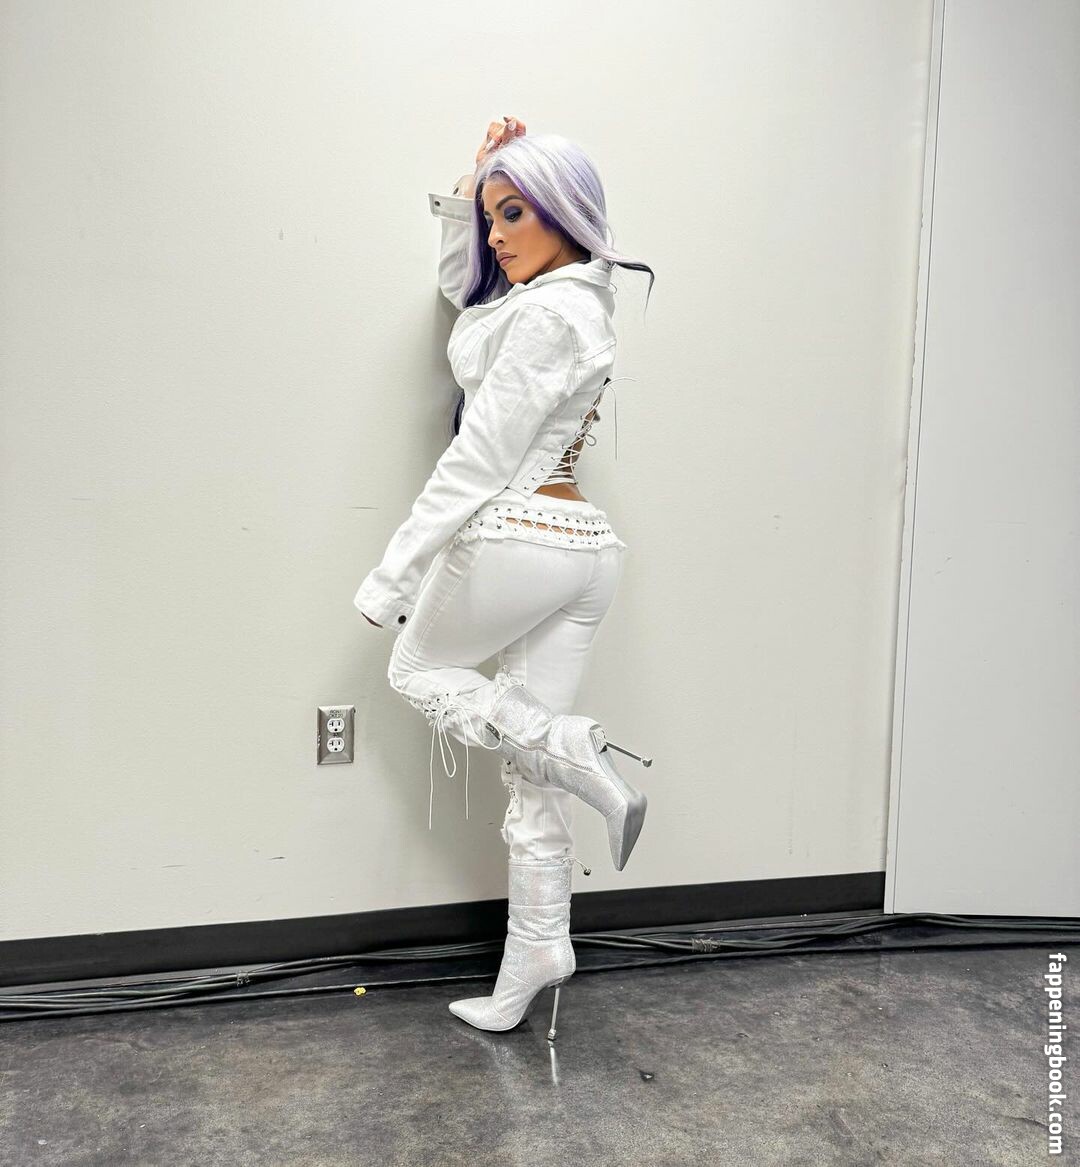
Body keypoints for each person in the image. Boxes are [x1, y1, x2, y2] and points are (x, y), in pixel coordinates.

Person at [353, 117, 656, 1035]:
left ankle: (572, 745)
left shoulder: (549, 315)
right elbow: (467, 299)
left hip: (520, 535)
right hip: (584, 551)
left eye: (512, 213)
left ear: (565, 211)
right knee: (533, 776)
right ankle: (535, 952)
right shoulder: (561, 301)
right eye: (490, 218)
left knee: (415, 667)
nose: (494, 236)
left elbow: (478, 459)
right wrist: (473, 185)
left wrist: (393, 572)